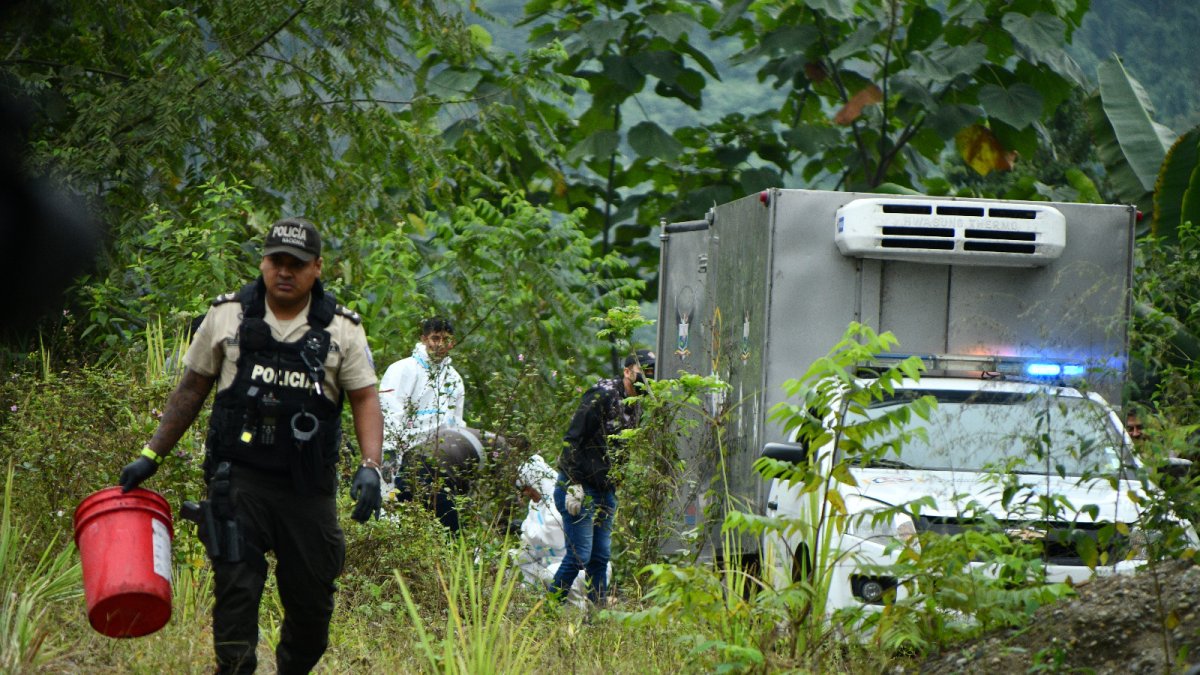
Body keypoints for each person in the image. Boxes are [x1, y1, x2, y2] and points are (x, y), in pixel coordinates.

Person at [117, 217, 384, 674]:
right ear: (262, 262)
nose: (284, 272)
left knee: (311, 607)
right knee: (236, 591)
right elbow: (191, 389)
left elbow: (364, 397)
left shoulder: (342, 330)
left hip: (308, 489)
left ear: (317, 268)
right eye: (276, 261)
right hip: (238, 482)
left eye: (296, 264)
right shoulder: (227, 316)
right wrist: (150, 455)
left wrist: (371, 466)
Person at [549, 349, 654, 604]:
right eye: (643, 373)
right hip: (579, 485)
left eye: (651, 374)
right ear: (627, 371)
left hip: (606, 488)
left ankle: (597, 617)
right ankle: (549, 607)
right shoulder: (603, 394)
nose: (648, 378)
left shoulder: (637, 405)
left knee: (600, 556)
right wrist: (573, 482)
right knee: (580, 554)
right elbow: (572, 438)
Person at [378, 316, 465, 464]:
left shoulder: (454, 378)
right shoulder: (402, 369)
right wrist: (390, 451)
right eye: (435, 338)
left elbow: (457, 422)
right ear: (424, 339)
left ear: (453, 343)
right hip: (405, 454)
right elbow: (389, 413)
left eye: (446, 339)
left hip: (441, 458)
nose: (440, 344)